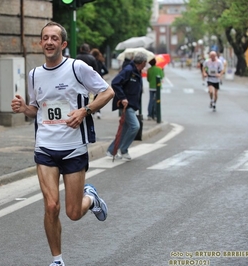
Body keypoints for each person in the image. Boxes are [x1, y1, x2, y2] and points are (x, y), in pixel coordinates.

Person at [11, 21, 114, 266]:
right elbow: (37, 108)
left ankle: (91, 199)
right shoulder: (34, 74)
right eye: (45, 38)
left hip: (73, 147)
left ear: (63, 44)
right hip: (45, 146)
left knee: (73, 212)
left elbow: (108, 92)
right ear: (40, 43)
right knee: (51, 205)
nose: (49, 42)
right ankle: (57, 260)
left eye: (54, 38)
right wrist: (24, 108)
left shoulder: (78, 67)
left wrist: (84, 111)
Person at [106, 52, 147, 161]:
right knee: (135, 126)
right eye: (145, 63)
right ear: (143, 62)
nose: (146, 64)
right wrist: (123, 97)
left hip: (132, 104)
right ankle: (123, 150)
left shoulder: (137, 71)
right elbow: (115, 83)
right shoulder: (129, 70)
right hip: (126, 104)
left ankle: (111, 150)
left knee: (125, 129)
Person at [91, 48, 109, 119]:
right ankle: (97, 112)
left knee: (92, 96)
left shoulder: (92, 61)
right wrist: (101, 74)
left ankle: (93, 111)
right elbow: (106, 71)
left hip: (92, 80)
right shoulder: (100, 61)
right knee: (97, 96)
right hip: (99, 80)